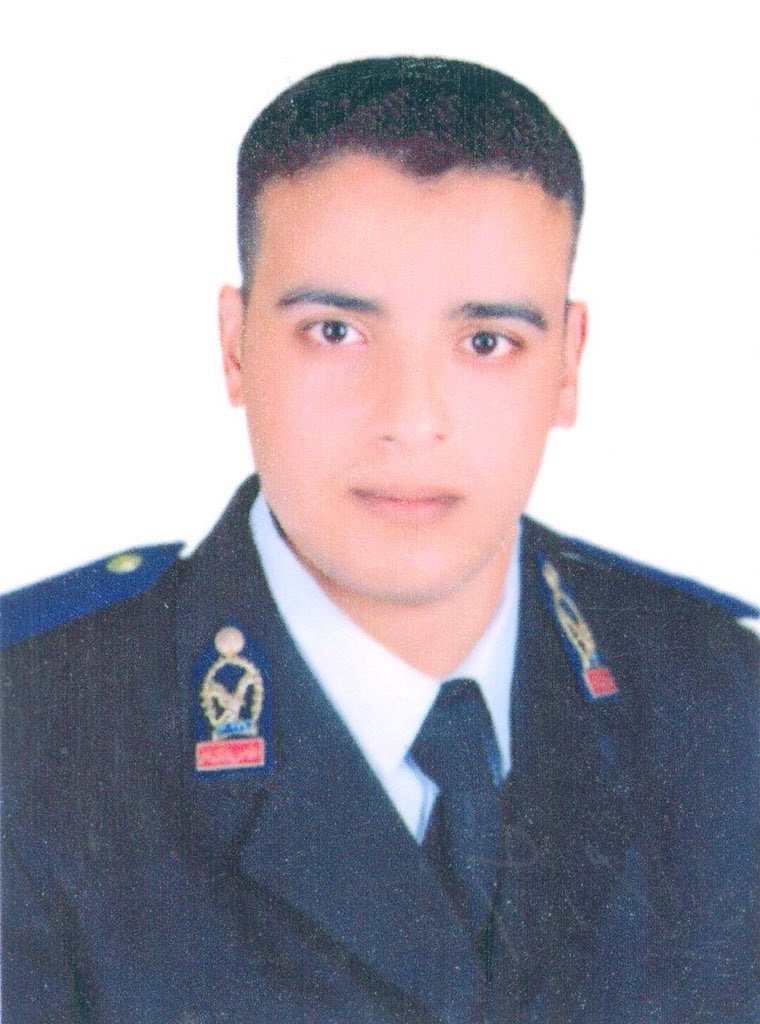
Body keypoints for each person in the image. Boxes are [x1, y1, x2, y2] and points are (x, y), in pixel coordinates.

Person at [1, 57, 757, 1024]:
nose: (410, 420)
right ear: (235, 347)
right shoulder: (33, 747)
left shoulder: (725, 710)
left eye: (486, 342)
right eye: (336, 332)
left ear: (568, 365)